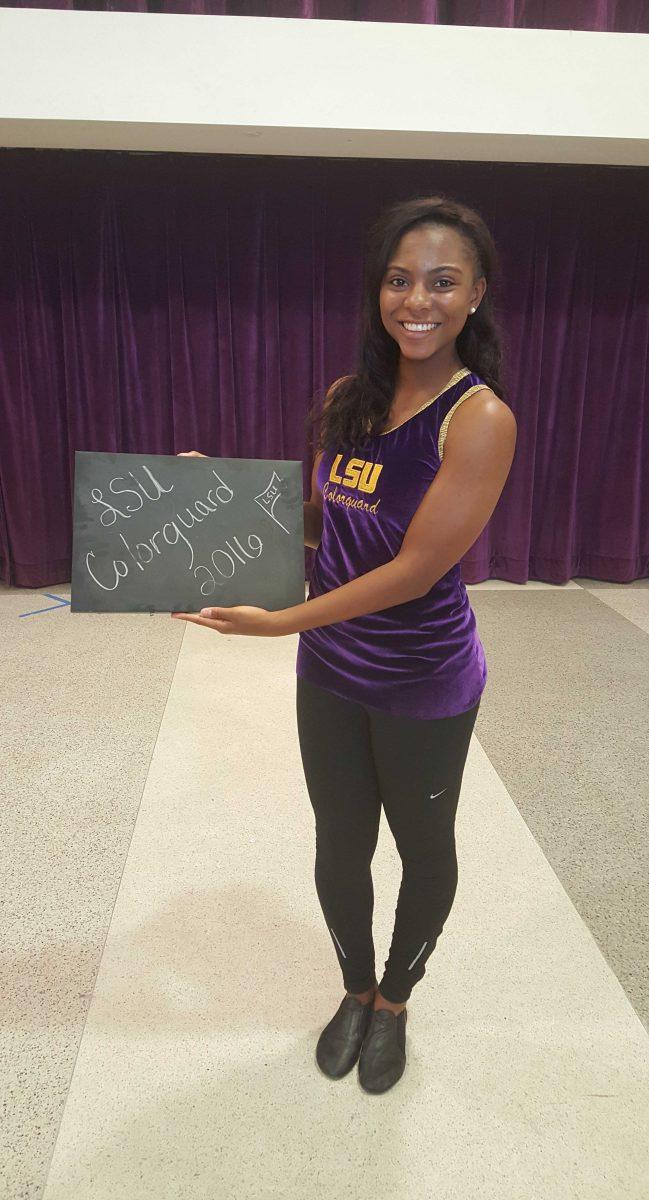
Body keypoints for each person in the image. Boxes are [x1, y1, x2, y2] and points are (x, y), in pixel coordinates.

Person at [173, 194, 517, 1096]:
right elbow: (333, 526)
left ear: (474, 294)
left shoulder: (477, 419)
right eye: (399, 280)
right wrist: (222, 501)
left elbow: (410, 570)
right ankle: (354, 989)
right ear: (378, 290)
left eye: (442, 282)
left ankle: (397, 1000)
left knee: (422, 841)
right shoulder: (349, 399)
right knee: (338, 839)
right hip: (330, 666)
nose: (417, 300)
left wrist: (280, 621)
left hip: (421, 679)